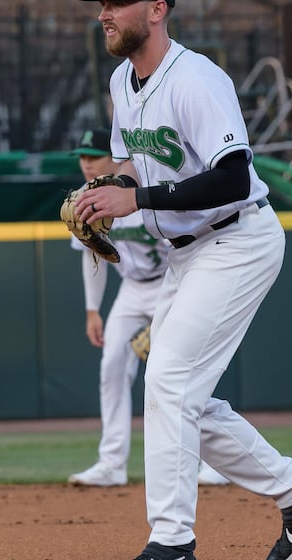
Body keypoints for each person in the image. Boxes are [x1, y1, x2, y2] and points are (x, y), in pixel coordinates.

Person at [73, 0, 292, 560]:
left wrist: (134, 201)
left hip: (237, 240)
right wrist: (102, 195)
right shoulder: (121, 83)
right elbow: (133, 166)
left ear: (156, 9)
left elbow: (231, 174)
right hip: (185, 254)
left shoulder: (196, 79)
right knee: (181, 394)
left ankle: (172, 548)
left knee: (167, 379)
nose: (104, 13)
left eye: (115, 2)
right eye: (100, 4)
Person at [66, 125, 229, 490]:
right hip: (130, 290)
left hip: (168, 283)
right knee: (112, 367)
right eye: (82, 157)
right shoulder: (88, 200)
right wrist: (93, 309)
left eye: (94, 157)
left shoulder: (138, 192)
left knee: (178, 372)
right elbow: (93, 255)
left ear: (115, 159)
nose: (87, 164)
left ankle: (214, 462)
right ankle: (112, 463)